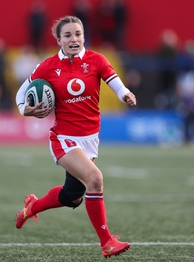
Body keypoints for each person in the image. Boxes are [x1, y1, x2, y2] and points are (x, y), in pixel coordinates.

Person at [14, 16, 137, 258]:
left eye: (78, 34)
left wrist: (126, 95)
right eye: (68, 35)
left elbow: (116, 84)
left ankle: (32, 207)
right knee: (95, 179)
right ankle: (107, 242)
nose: (74, 39)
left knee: (72, 196)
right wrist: (24, 109)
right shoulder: (47, 66)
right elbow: (21, 93)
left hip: (90, 139)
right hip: (63, 138)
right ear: (58, 39)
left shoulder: (96, 60)